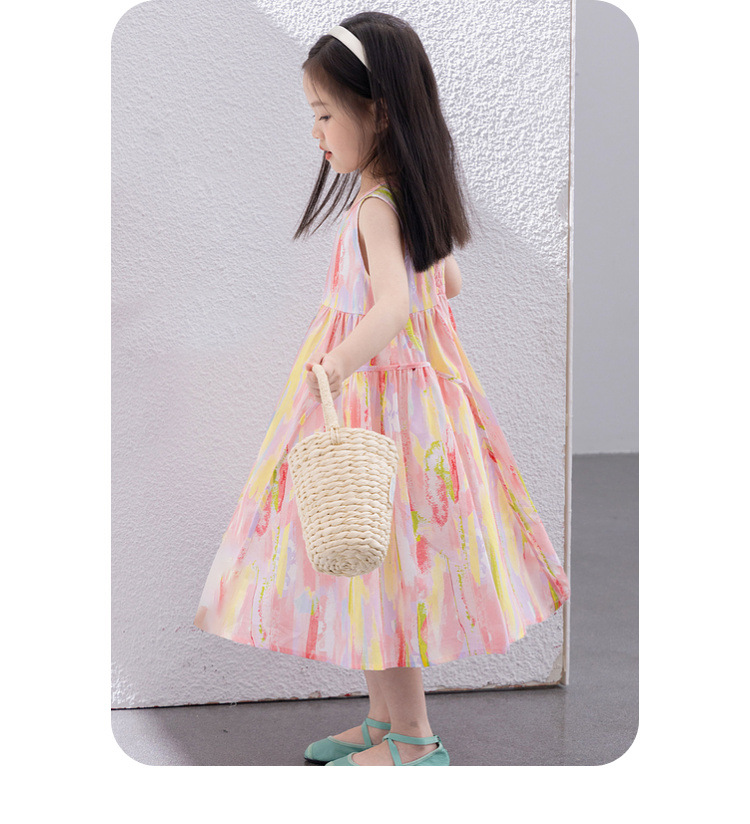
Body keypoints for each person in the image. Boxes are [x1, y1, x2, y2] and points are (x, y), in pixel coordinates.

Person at [193, 11, 571, 767]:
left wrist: (335, 364)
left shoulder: (375, 205)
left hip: (378, 404)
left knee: (385, 566)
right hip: (411, 404)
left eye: (325, 114)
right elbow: (446, 281)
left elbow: (395, 306)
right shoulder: (399, 197)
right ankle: (382, 721)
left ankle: (415, 739)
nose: (317, 133)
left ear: (381, 112)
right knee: (371, 563)